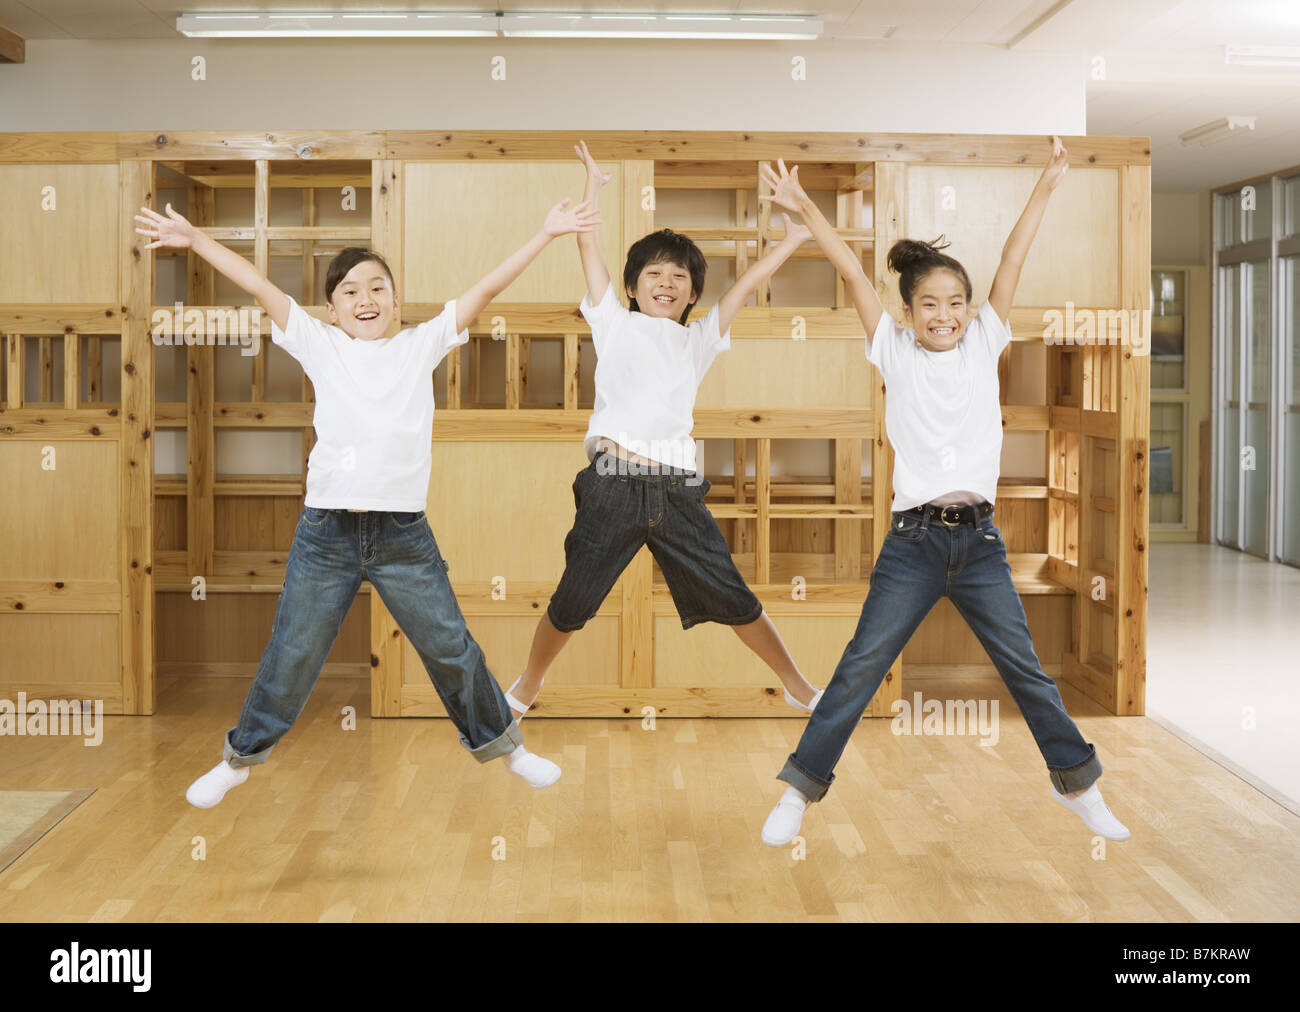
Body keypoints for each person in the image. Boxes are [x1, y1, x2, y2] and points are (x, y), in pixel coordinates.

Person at [134, 196, 600, 808]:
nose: (366, 299)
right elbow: (259, 284)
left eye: (378, 288)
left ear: (396, 303)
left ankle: (508, 748)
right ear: (332, 309)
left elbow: (485, 289)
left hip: (402, 534)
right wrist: (196, 240)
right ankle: (240, 758)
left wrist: (544, 233)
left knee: (450, 646)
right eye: (351, 291)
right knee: (294, 650)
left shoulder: (421, 345)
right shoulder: (320, 344)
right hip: (326, 532)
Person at [756, 137, 1130, 846]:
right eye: (930, 304)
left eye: (955, 302)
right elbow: (849, 270)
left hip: (981, 543)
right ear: (908, 311)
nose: (946, 314)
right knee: (861, 667)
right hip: (914, 544)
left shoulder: (986, 338)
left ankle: (1078, 785)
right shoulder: (892, 349)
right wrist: (803, 203)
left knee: (1024, 667)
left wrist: (1047, 186)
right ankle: (799, 792)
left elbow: (1012, 260)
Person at [502, 139, 823, 721]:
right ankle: (526, 685)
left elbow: (745, 286)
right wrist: (592, 189)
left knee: (734, 596)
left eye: (680, 277)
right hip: (613, 484)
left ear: (693, 295)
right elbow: (588, 246)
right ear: (631, 286)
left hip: (675, 489)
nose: (667, 282)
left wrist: (792, 240)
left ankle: (799, 685)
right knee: (573, 600)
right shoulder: (613, 322)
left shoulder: (697, 340)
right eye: (654, 273)